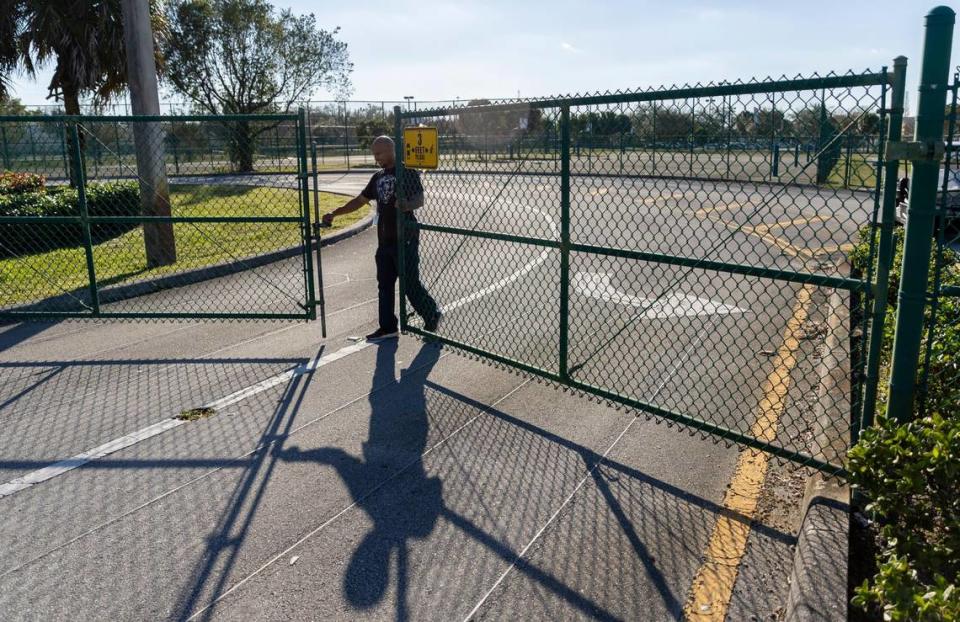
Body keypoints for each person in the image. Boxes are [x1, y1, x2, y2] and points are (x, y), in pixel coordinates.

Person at [322, 135, 441, 341]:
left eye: (379, 153)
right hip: (384, 240)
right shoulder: (378, 177)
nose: (376, 157)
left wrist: (405, 205)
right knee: (384, 285)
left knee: (410, 284)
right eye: (374, 153)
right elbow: (360, 200)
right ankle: (387, 327)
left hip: (405, 239)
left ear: (391, 150)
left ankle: (432, 314)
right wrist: (335, 212)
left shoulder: (407, 172)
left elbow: (419, 199)